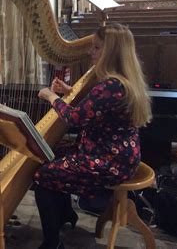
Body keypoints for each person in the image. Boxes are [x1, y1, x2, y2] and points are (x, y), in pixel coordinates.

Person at [34, 23, 152, 249]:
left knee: (42, 175)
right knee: (48, 154)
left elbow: (74, 119)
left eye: (96, 48)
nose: (91, 52)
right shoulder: (122, 80)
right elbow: (97, 108)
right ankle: (66, 213)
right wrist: (69, 91)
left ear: (110, 52)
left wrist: (50, 96)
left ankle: (51, 243)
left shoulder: (110, 86)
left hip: (108, 160)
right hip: (117, 153)